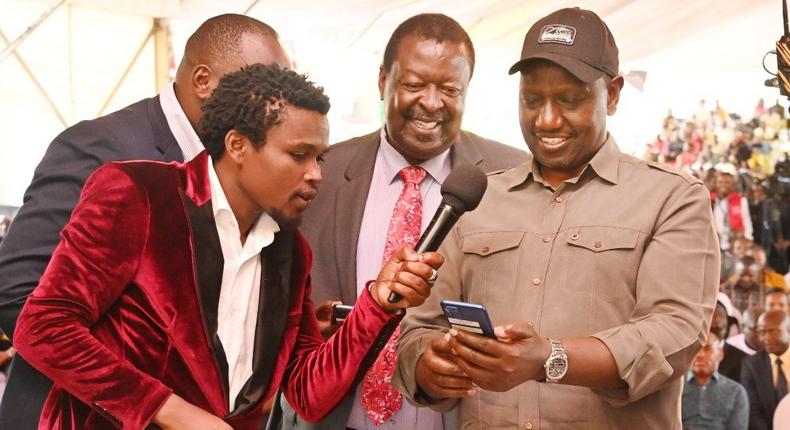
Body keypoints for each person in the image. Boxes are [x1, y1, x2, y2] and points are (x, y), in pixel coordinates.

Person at [13, 64, 444, 430]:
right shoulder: (141, 194)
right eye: (299, 155)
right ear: (237, 145)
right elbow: (44, 325)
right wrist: (171, 411)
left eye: (321, 158)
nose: (316, 174)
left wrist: (377, 305)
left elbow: (309, 392)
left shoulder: (290, 252)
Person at [393, 7, 720, 428]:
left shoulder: (673, 198)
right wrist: (429, 366)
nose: (546, 120)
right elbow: (419, 331)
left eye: (569, 99)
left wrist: (551, 359)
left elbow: (674, 333)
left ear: (614, 93)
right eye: (532, 100)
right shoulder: (478, 198)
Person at [0, 13, 290, 429]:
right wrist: (162, 403)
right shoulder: (99, 149)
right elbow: (17, 294)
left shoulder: (236, 168)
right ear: (205, 82)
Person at [272, 13, 527, 430]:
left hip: (460, 417)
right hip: (333, 418)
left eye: (449, 89)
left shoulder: (511, 175)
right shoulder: (319, 172)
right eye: (414, 85)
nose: (431, 102)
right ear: (382, 82)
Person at [682, 329, 749, 430]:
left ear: (720, 354)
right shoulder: (674, 388)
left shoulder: (736, 392)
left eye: (707, 349)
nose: (700, 355)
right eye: (695, 349)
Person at [741, 310, 790, 430]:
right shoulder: (752, 364)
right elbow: (753, 410)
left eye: (773, 331)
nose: (766, 338)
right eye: (762, 332)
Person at [713, 171, 753, 252]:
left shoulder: (741, 200)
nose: (723, 185)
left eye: (727, 182)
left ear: (733, 185)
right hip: (718, 245)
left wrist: (748, 237)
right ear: (715, 184)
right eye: (720, 182)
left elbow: (746, 219)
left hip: (739, 244)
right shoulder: (712, 200)